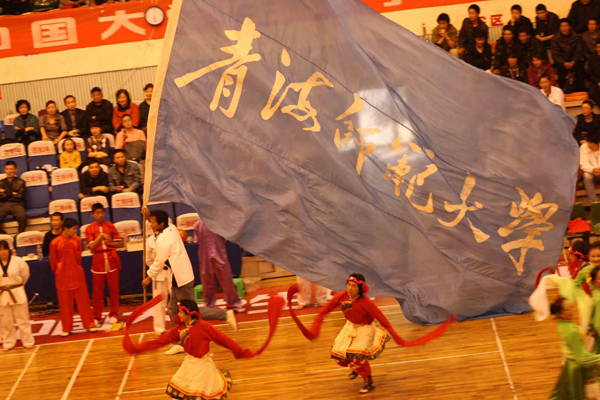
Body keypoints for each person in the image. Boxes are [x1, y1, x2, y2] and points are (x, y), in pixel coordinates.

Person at [287, 274, 454, 394]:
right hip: (350, 326)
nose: (349, 288)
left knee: (358, 355)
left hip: (365, 329)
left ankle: (369, 381)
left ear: (360, 288)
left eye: (353, 286)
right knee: (339, 355)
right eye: (348, 285)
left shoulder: (366, 302)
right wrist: (316, 325)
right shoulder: (341, 296)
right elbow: (325, 310)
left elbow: (382, 319)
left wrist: (398, 338)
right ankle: (355, 368)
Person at [123, 297, 284, 400]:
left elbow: (224, 340)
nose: (178, 314)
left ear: (188, 314)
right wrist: (137, 348)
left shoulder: (204, 327)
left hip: (202, 367)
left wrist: (240, 351)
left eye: (180, 312)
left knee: (197, 395)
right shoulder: (179, 329)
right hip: (189, 364)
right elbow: (159, 342)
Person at [141, 207, 239, 355]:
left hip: (182, 278)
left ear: (161, 224)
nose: (150, 225)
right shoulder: (171, 228)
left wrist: (149, 277)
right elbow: (159, 227)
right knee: (173, 310)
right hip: (178, 277)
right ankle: (178, 342)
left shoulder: (163, 240)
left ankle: (224, 315)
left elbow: (159, 262)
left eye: (152, 222)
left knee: (192, 312)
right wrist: (147, 215)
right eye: (150, 222)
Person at [50, 218, 97, 337]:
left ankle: (89, 324)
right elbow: (53, 263)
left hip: (77, 275)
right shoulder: (55, 243)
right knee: (65, 304)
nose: (75, 231)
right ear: (66, 229)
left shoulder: (77, 240)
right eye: (73, 229)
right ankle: (67, 328)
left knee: (84, 302)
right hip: (62, 277)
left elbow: (78, 258)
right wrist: (60, 272)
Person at [548, 297, 600, 399]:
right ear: (560, 313)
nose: (572, 311)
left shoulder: (561, 324)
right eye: (567, 309)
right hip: (576, 368)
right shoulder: (572, 332)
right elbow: (581, 358)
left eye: (571, 307)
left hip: (569, 365)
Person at [193, 218, 245, 312]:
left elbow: (224, 237)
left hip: (219, 253)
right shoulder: (197, 224)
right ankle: (209, 305)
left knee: (226, 279)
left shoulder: (218, 222)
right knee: (206, 281)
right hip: (205, 254)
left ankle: (233, 303)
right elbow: (197, 240)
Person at [86, 203, 122, 325]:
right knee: (97, 291)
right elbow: (91, 246)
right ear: (93, 214)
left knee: (114, 289)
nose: (100, 215)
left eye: (102, 212)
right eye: (97, 213)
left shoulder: (110, 225)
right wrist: (100, 237)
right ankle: (97, 316)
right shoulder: (89, 228)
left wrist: (109, 242)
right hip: (98, 260)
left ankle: (114, 313)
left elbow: (119, 243)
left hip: (112, 259)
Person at [0, 240, 34, 351]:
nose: (2, 252)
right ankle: (8, 342)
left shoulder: (18, 261)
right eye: (0, 250)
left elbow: (25, 275)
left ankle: (28, 341)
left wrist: (18, 286)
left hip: (17, 291)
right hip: (2, 294)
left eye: (4, 249)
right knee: (6, 321)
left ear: (9, 250)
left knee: (23, 319)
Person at [145, 220, 170, 333]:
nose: (152, 226)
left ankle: (181, 326)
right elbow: (148, 260)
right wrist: (155, 269)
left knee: (177, 300)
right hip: (158, 274)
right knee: (159, 303)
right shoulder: (150, 241)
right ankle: (160, 328)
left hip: (172, 272)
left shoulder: (169, 237)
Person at [551, 19, 585, 93]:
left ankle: (582, 90)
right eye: (562, 26)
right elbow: (555, 54)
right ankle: (562, 91)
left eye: (566, 26)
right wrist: (563, 62)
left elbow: (579, 52)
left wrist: (573, 61)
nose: (564, 28)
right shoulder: (555, 39)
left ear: (570, 27)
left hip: (574, 60)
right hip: (562, 61)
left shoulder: (577, 37)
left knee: (579, 66)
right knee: (560, 67)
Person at [0, 162, 26, 234]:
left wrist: (6, 193)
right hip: (4, 204)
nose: (9, 171)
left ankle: (20, 234)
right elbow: (0, 197)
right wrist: (12, 194)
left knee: (22, 216)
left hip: (16, 204)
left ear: (15, 170)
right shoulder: (1, 182)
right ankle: (3, 235)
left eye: (11, 169)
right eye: (7, 169)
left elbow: (19, 196)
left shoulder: (21, 182)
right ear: (5, 170)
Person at [581, 133, 600, 201]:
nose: (589, 145)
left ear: (597, 143)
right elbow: (583, 164)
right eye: (588, 142)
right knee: (587, 176)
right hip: (591, 171)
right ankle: (594, 202)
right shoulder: (584, 147)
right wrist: (593, 169)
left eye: (591, 143)